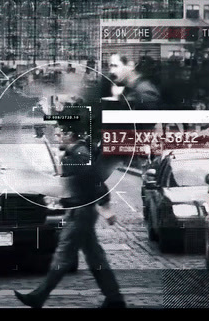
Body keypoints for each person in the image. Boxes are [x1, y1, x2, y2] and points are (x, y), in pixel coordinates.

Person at [14, 115, 126, 309]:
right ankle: (114, 298)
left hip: (80, 212)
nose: (57, 136)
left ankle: (39, 296)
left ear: (69, 135)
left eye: (60, 133)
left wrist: (105, 205)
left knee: (63, 256)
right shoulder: (74, 153)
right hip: (81, 209)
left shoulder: (79, 154)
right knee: (95, 257)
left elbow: (94, 179)